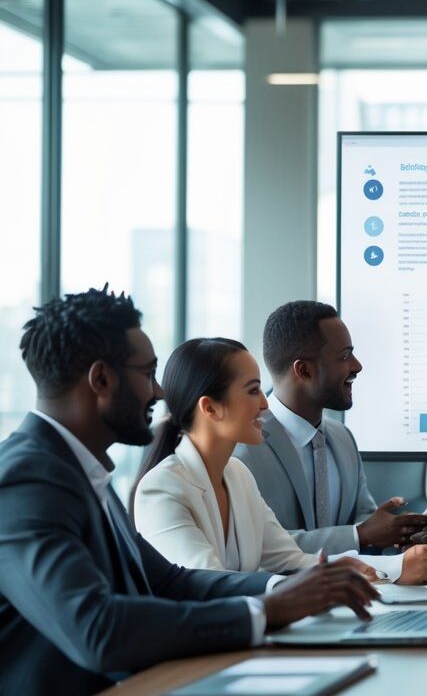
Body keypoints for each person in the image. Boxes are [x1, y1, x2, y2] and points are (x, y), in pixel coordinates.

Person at [0, 288, 377, 695]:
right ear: (102, 379)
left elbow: (172, 582)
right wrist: (264, 611)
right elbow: (98, 629)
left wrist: (284, 590)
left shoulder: (81, 471)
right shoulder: (26, 480)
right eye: (147, 374)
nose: (159, 392)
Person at [132, 337, 427, 585]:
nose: (265, 402)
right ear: (211, 408)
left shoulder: (237, 475)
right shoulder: (162, 489)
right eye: (253, 391)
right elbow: (212, 585)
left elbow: (294, 560)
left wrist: (393, 569)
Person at [235, 301, 427, 555]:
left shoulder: (343, 438)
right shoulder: (243, 447)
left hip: (359, 592)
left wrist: (403, 534)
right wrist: (359, 535)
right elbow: (259, 546)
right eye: (344, 356)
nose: (357, 366)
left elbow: (365, 523)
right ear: (304, 370)